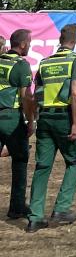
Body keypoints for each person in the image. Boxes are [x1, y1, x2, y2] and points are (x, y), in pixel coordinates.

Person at [27, 22, 76, 232]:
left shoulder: (44, 62)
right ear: (75, 41)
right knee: (74, 161)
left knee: (42, 167)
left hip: (45, 118)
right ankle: (61, 209)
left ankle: (35, 217)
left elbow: (36, 95)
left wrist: (36, 119)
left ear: (60, 40)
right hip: (64, 118)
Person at [0, 26, 34, 220]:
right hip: (11, 118)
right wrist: (30, 121)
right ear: (22, 44)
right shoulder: (21, 65)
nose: (30, 46)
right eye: (29, 43)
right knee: (20, 160)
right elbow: (25, 97)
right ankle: (17, 207)